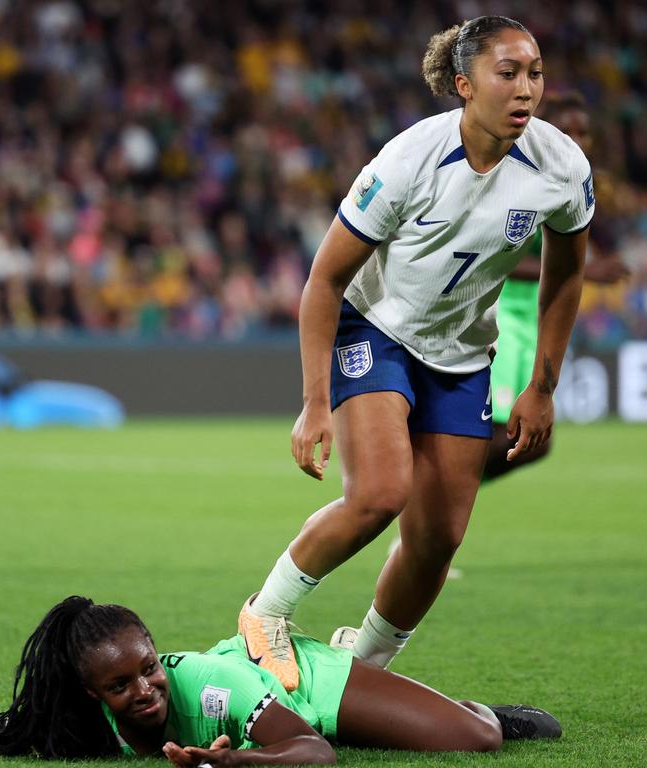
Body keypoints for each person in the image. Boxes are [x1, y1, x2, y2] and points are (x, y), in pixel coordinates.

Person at [238, 15, 593, 687]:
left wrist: (543, 384)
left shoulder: (562, 167)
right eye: (507, 73)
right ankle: (267, 612)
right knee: (379, 493)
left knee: (437, 540)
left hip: (461, 353)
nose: (526, 90)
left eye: (536, 73)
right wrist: (315, 401)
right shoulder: (407, 162)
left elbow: (566, 272)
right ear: (464, 84)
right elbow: (323, 281)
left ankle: (364, 663)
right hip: (374, 329)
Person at [0, 596, 560, 763]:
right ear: (93, 695)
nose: (143, 690)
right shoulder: (90, 717)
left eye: (146, 669)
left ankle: (474, 707)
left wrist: (236, 764)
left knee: (476, 741)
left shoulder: (208, 683)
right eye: (120, 686)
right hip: (268, 707)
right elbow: (27, 729)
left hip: (298, 684)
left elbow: (315, 751)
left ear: (156, 654)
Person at [483, 90, 627, 479]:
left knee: (534, 441)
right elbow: (495, 258)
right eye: (567, 131)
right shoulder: (516, 179)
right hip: (502, 319)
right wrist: (583, 274)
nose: (576, 142)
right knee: (503, 433)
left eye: (584, 133)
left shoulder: (570, 188)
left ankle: (433, 503)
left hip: (534, 321)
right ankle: (426, 501)